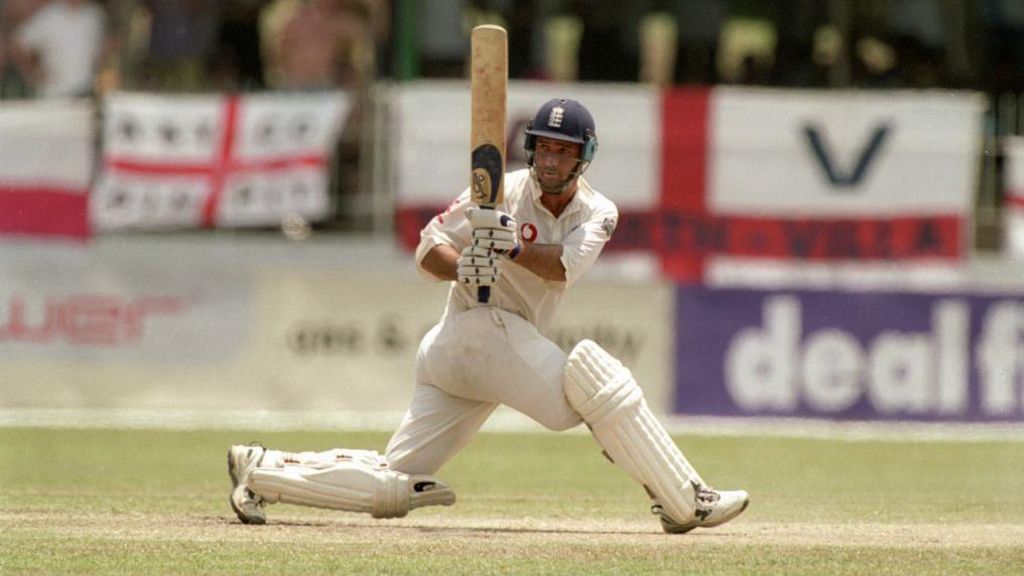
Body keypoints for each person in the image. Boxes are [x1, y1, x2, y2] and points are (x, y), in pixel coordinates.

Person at [226, 98, 750, 534]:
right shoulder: (501, 191)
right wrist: (463, 267)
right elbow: (428, 251)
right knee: (589, 383)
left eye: (562, 151)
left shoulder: (598, 212)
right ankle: (686, 500)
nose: (550, 160)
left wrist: (511, 249)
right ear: (532, 148)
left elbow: (563, 268)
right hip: (472, 332)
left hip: (482, 353)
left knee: (396, 480)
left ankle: (262, 471)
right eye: (543, 146)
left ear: (582, 158)